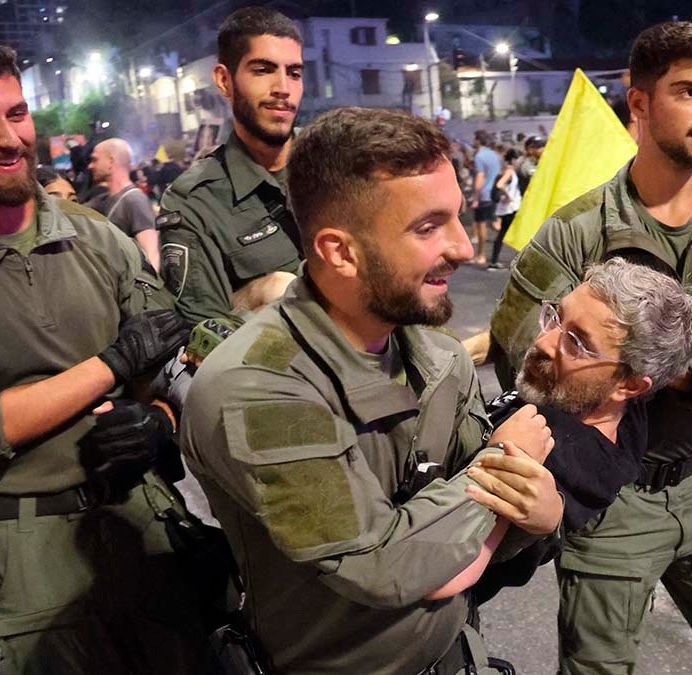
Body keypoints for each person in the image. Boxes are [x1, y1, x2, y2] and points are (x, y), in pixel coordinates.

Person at [0, 29, 210, 673]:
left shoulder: (97, 236)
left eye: (16, 113)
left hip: (141, 515)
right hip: (28, 547)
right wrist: (111, 364)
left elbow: (174, 360)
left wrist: (160, 423)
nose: (9, 139)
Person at [181, 107, 562, 675]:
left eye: (457, 218)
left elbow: (498, 537)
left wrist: (540, 513)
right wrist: (508, 462)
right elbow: (380, 566)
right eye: (428, 227)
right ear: (340, 251)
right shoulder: (258, 386)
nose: (462, 247)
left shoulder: (438, 355)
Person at [487, 21, 692, 674]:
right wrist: (681, 361)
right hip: (609, 502)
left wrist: (675, 372)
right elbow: (520, 358)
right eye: (689, 92)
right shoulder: (573, 234)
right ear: (639, 103)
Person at [472, 258, 692, 603]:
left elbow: (432, 566)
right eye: (556, 317)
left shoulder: (552, 460)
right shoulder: (617, 405)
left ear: (629, 385)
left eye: (577, 343)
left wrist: (491, 455)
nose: (546, 342)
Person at [158, 7, 304, 326]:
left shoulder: (339, 161)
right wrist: (260, 297)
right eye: (263, 70)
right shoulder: (194, 201)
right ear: (225, 81)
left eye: (294, 73)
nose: (283, 87)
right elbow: (201, 336)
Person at [88, 138, 161, 271]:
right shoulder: (104, 200)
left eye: (95, 160)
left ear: (111, 161)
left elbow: (152, 257)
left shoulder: (135, 200)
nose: (90, 166)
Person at [488, 147, 522, 269]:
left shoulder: (506, 170)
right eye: (518, 159)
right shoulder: (509, 171)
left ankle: (494, 260)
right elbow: (500, 184)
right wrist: (508, 196)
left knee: (503, 234)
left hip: (507, 208)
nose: (520, 161)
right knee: (516, 234)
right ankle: (517, 262)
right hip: (511, 208)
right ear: (513, 159)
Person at [470, 129, 501, 265]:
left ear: (478, 140)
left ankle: (481, 255)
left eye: (474, 138)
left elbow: (480, 176)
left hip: (484, 194)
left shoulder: (479, 156)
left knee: (481, 224)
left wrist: (476, 197)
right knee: (494, 223)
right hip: (494, 193)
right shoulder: (494, 155)